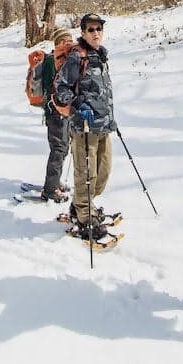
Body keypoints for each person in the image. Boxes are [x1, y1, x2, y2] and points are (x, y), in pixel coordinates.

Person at [54, 12, 117, 241]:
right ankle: (85, 216)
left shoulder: (101, 56)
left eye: (99, 29)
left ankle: (80, 204)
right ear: (82, 32)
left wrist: (111, 117)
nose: (95, 33)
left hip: (104, 126)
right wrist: (78, 106)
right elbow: (61, 89)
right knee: (86, 175)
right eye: (90, 29)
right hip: (84, 128)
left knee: (103, 173)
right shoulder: (76, 57)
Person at [30, 27, 76, 202]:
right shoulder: (51, 60)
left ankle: (54, 182)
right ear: (57, 43)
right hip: (55, 112)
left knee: (63, 149)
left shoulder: (64, 58)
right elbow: (55, 86)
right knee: (58, 149)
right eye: (64, 41)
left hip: (64, 112)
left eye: (70, 40)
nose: (68, 43)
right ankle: (50, 189)